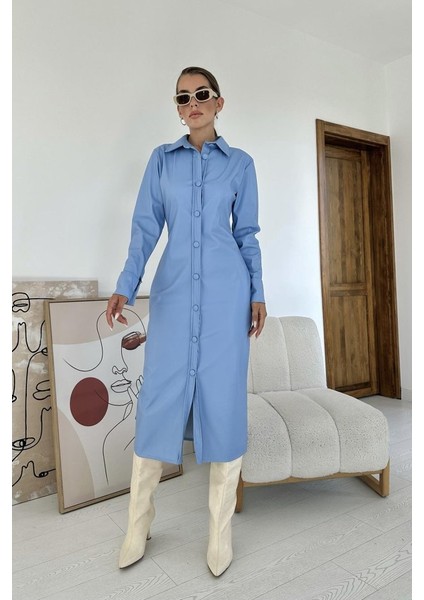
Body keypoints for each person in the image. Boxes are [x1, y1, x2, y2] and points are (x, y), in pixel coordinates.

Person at [106, 66, 267, 576]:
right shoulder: (161, 160)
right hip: (174, 296)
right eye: (182, 97)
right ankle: (138, 524)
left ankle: (219, 532)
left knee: (223, 401)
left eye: (201, 94)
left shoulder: (240, 164)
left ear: (219, 102)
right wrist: (126, 282)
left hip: (227, 297)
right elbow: (144, 230)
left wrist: (258, 292)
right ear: (177, 108)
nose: (191, 103)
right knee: (158, 399)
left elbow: (246, 234)